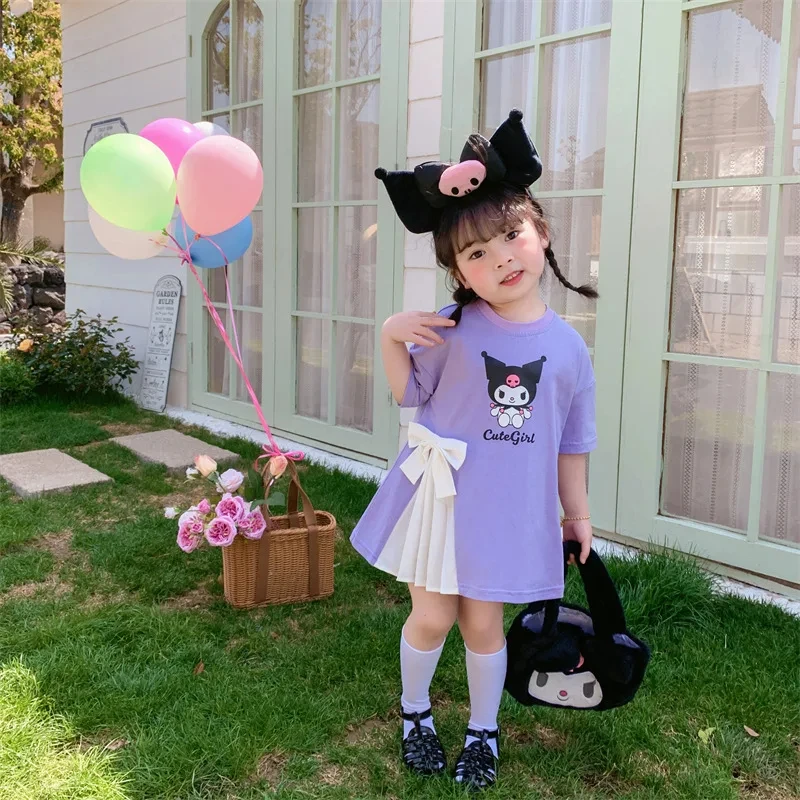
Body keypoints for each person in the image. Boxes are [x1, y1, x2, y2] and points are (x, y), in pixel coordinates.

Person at [350, 109, 598, 791]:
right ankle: (416, 714)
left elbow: (571, 443)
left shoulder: (569, 349)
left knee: (483, 625)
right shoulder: (452, 328)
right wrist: (391, 335)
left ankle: (483, 731)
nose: (501, 259)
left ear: (541, 233)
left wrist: (576, 514)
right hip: (440, 499)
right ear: (459, 270)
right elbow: (409, 394)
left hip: (508, 509)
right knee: (432, 615)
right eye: (476, 254)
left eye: (510, 236)